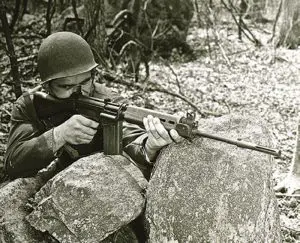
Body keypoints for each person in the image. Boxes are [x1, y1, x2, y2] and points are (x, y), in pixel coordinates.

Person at [4, 31, 182, 181]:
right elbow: (13, 163)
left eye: (85, 81)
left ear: (93, 75)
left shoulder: (108, 101)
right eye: (66, 86)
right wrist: (59, 135)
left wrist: (149, 146)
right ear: (46, 86)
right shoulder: (31, 105)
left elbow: (129, 135)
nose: (78, 91)